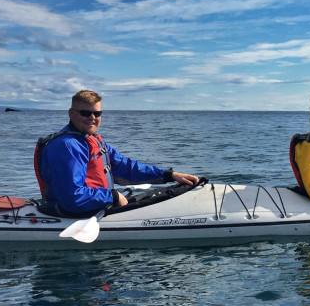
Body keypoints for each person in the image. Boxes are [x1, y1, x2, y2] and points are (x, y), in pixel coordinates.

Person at [34, 89, 198, 216]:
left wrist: (169, 175)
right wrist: (112, 196)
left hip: (98, 208)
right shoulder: (67, 146)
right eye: (86, 113)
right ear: (71, 113)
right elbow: (72, 197)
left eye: (97, 113)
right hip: (73, 213)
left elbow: (125, 167)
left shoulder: (93, 139)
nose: (92, 117)